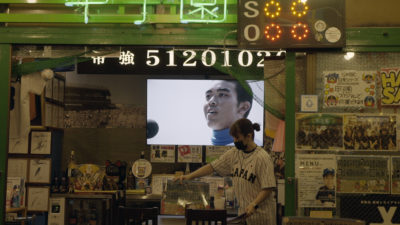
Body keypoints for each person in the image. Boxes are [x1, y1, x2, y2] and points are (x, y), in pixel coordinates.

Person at [175, 118, 276, 225]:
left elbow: (268, 187)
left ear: (249, 136)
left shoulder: (263, 158)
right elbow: (212, 166)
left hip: (262, 217)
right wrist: (190, 176)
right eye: (233, 138)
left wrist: (254, 204)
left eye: (237, 138)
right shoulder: (234, 153)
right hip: (244, 216)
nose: (235, 141)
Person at [204, 80, 258, 146]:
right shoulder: (201, 146)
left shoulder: (256, 150)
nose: (211, 101)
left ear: (243, 108)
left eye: (222, 94)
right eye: (208, 96)